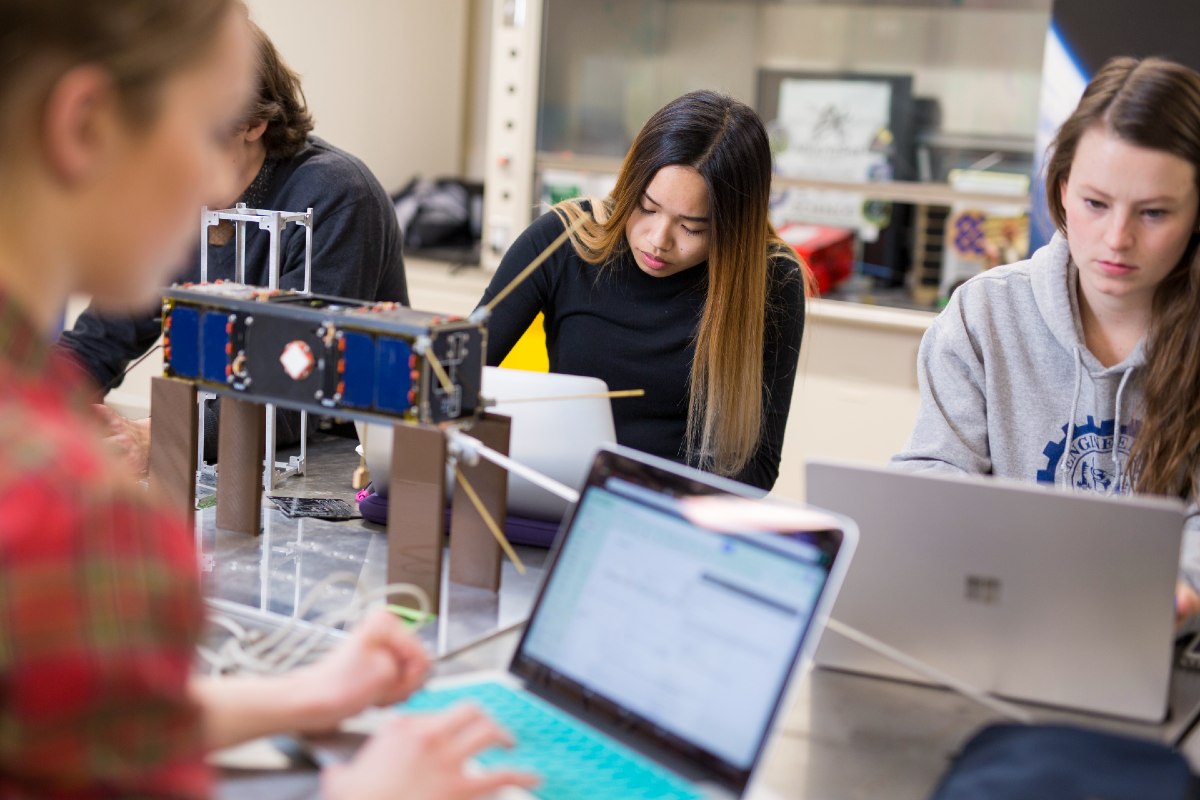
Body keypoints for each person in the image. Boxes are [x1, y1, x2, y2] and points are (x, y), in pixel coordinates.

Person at [0, 1, 534, 797]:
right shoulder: (65, 512)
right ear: (86, 126)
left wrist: (304, 695)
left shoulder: (332, 192)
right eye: (199, 128)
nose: (217, 189)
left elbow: (75, 719)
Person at [891, 56, 1200, 621]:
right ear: (1061, 191)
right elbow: (936, 469)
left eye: (1154, 213)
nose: (1117, 238)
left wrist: (1179, 588)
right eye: (1095, 203)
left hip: (1164, 644)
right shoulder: (984, 312)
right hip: (1001, 620)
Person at [57, 18, 409, 472]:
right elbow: (98, 340)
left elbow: (295, 395)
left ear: (254, 121)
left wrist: (155, 435)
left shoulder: (337, 195)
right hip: (224, 451)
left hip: (333, 465)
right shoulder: (176, 192)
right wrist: (35, 407)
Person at [478, 91, 810, 491]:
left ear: (733, 230)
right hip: (559, 496)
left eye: (692, 228)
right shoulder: (563, 239)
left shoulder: (772, 281)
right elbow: (452, 379)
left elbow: (756, 468)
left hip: (675, 523)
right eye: (646, 207)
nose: (658, 240)